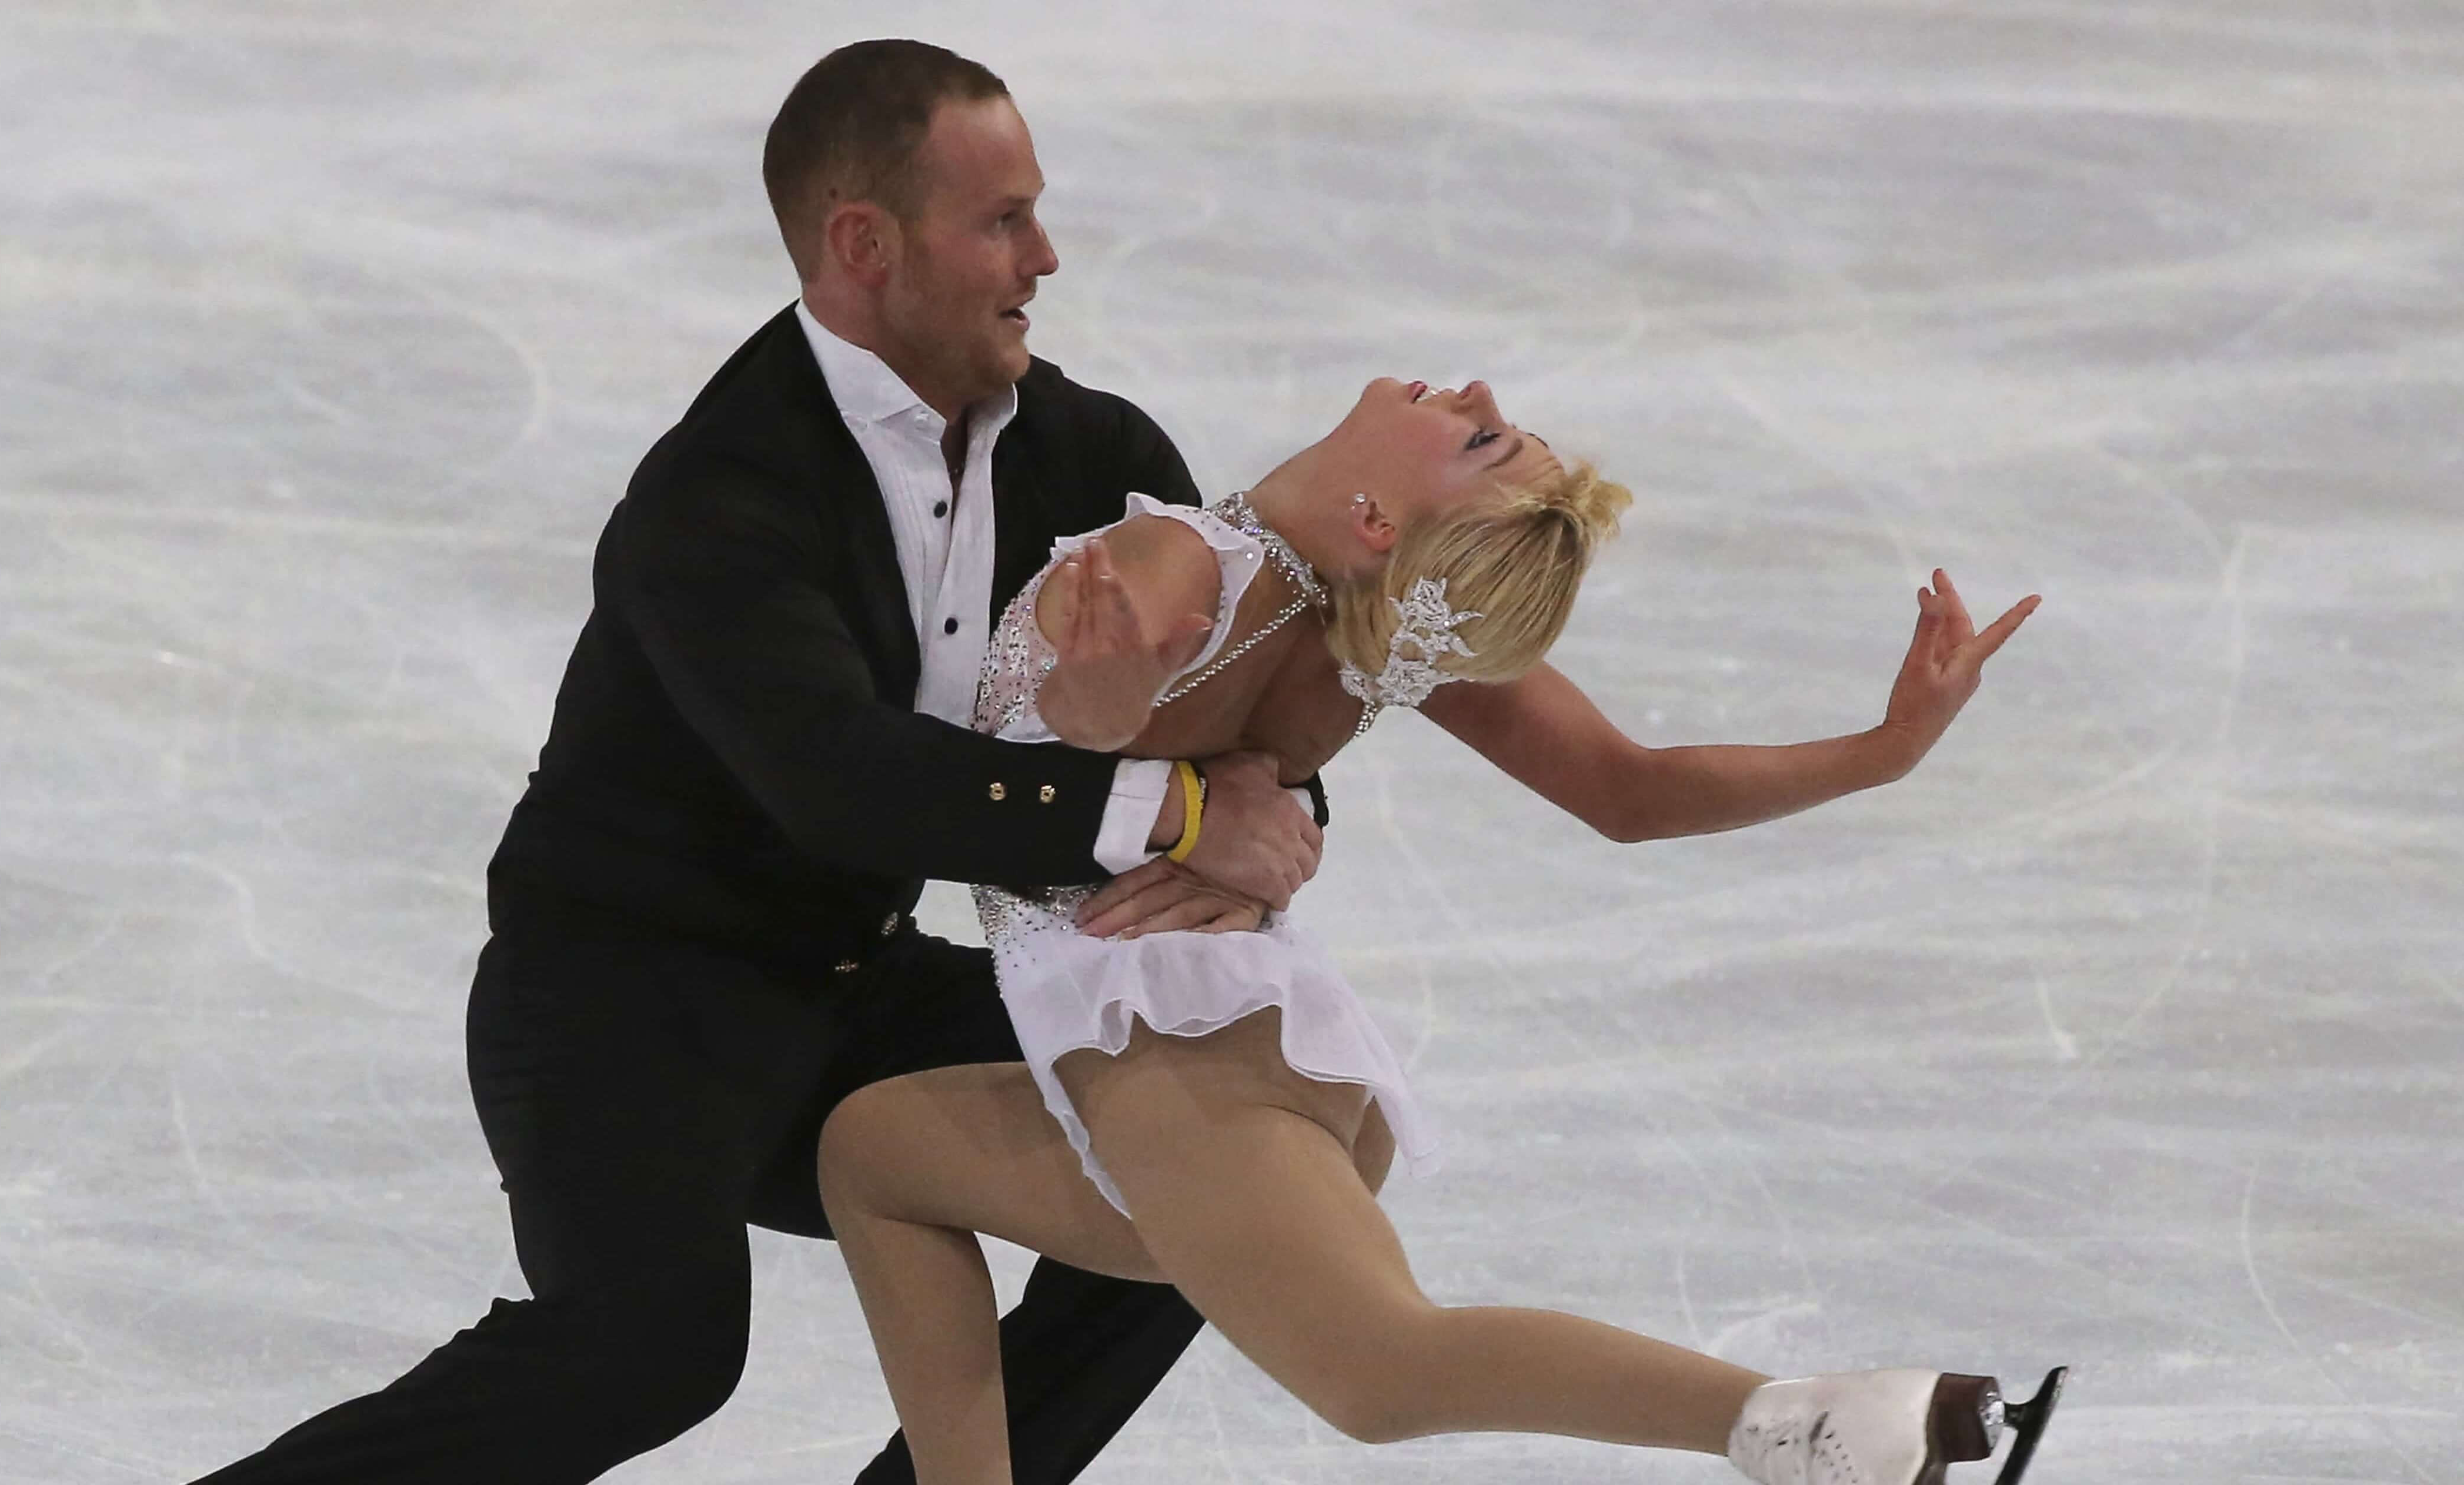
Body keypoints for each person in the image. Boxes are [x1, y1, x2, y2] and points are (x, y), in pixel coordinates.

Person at [189, 40, 1332, 1484]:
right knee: (649, 1354)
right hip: (624, 996)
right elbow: (844, 784)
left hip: (845, 983)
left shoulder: (1090, 456)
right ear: (866, 245)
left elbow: (1252, 701)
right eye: (1000, 222)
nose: (1046, 255)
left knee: (1206, 1182)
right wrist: (1174, 812)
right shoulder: (718, 494)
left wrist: (1266, 817)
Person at [813, 374, 2065, 1485]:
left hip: (1175, 1059)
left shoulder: (1180, 565)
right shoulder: (1385, 632)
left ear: (1376, 520)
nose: (1466, 390)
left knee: (1381, 1375)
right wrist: (1881, 754)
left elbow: (1089, 726)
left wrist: (1107, 692)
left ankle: (1816, 1427)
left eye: (1476, 437)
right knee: (875, 1153)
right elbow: (1630, 791)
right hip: (1246, 1060)